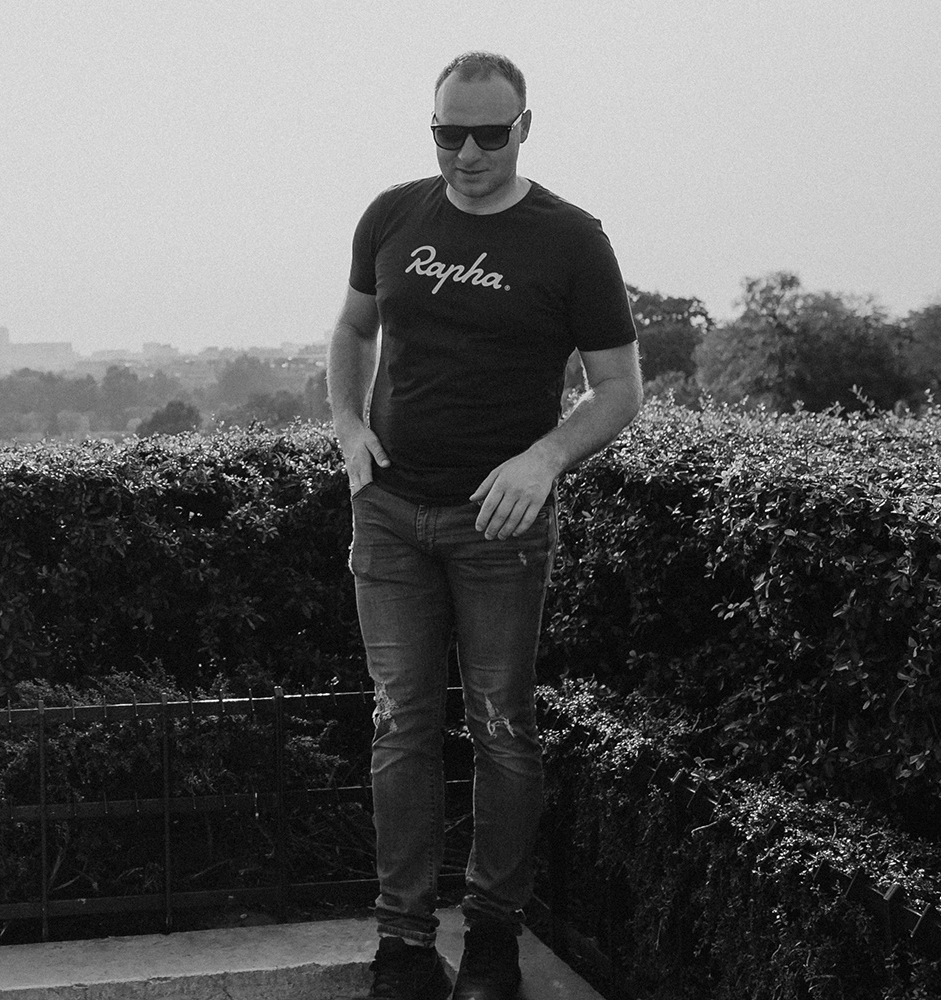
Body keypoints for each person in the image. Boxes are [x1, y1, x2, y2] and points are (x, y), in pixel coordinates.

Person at [328, 51, 642, 1000]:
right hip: (390, 514)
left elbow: (619, 389)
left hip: (499, 528)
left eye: (488, 135)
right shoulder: (392, 215)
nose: (467, 154)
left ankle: (494, 937)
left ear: (524, 128)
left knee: (502, 727)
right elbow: (353, 330)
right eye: (447, 133)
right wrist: (347, 425)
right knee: (400, 723)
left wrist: (544, 460)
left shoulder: (571, 240)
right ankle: (403, 945)